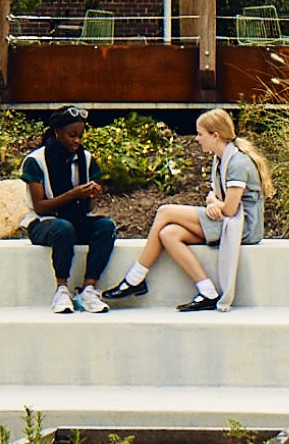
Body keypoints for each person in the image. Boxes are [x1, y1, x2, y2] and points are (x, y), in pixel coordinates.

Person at [106, 108, 273, 312]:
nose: (197, 139)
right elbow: (216, 196)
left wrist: (215, 204)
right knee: (169, 233)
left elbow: (229, 209)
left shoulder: (238, 162)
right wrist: (213, 201)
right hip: (230, 221)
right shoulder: (220, 159)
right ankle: (207, 292)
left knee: (165, 212)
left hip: (243, 227)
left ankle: (135, 278)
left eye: (200, 134)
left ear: (215, 135)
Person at [22, 105, 114, 315]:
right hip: (44, 223)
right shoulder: (36, 161)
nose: (77, 141)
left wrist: (91, 196)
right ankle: (61, 289)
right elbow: (41, 207)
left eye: (80, 136)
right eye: (72, 135)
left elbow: (88, 209)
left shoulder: (86, 159)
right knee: (63, 229)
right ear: (57, 132)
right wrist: (73, 194)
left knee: (106, 226)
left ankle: (88, 288)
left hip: (76, 219)